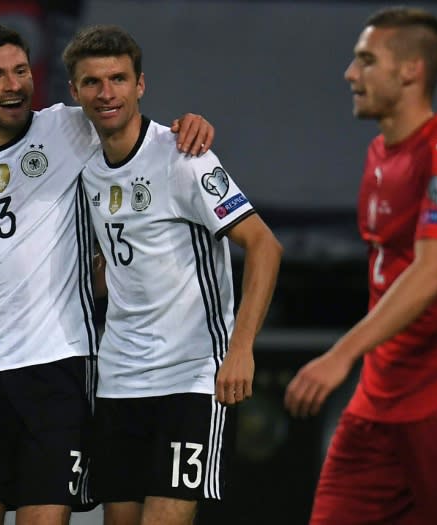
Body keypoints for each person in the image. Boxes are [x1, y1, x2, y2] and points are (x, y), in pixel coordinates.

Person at [0, 22, 214, 525]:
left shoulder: (68, 127)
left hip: (60, 369)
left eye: (21, 71)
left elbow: (127, 117)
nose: (13, 85)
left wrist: (190, 123)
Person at [283, 7, 437, 524]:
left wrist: (340, 355)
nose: (351, 74)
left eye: (367, 61)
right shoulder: (378, 153)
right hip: (376, 407)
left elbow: (432, 272)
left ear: (410, 70)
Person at [62, 25, 282, 525]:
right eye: (92, 82)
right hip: (118, 377)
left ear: (141, 85)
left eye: (118, 79)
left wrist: (241, 348)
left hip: (188, 374)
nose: (106, 92)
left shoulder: (185, 157)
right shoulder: (83, 165)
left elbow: (266, 246)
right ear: (75, 93)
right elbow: (111, 264)